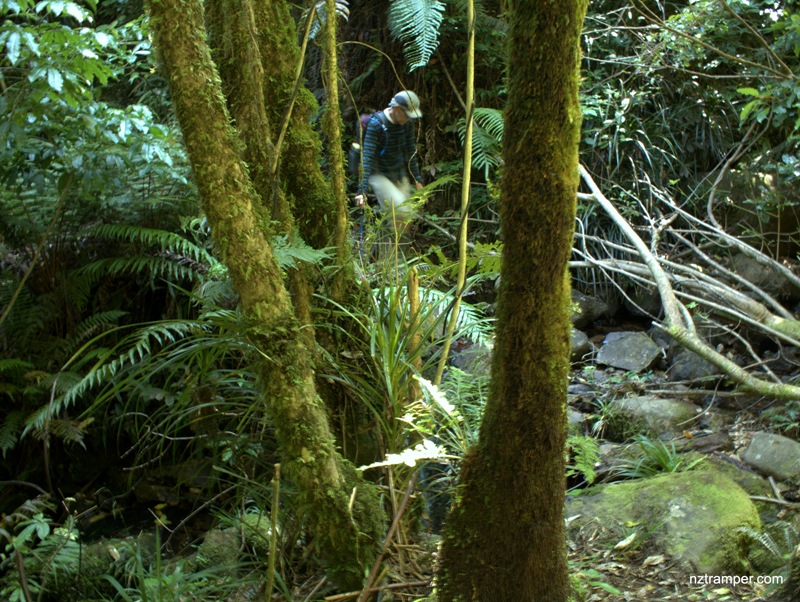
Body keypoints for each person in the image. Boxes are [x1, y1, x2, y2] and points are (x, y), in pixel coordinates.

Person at [353, 90, 424, 227]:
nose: (410, 119)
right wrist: (362, 191)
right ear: (397, 109)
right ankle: (389, 245)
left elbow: (411, 151)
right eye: (407, 115)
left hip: (398, 174)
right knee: (402, 212)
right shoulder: (376, 124)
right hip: (379, 175)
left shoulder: (407, 124)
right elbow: (366, 158)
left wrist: (417, 180)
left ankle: (394, 246)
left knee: (406, 219)